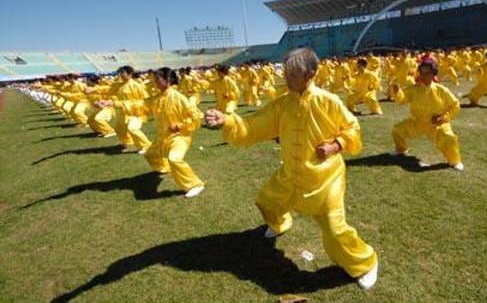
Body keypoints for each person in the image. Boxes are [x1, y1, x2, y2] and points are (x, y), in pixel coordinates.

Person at [205, 47, 379, 289]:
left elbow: (353, 129)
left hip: (325, 180)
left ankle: (366, 263)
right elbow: (254, 125)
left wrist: (336, 145)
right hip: (290, 175)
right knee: (266, 201)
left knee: (334, 232)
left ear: (310, 75)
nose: (285, 78)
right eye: (285, 73)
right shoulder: (282, 104)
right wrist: (228, 120)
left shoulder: (329, 102)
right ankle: (280, 224)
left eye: (292, 74)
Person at [391, 59, 464, 171]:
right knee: (397, 130)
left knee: (449, 138)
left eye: (427, 73)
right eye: (422, 73)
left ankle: (455, 161)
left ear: (433, 74)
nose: (423, 76)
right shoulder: (414, 89)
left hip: (437, 124)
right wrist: (397, 92)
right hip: (418, 122)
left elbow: (455, 105)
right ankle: (401, 149)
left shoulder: (441, 90)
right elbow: (402, 99)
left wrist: (444, 118)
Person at [143, 68, 205, 198]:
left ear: (168, 80)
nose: (155, 83)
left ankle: (195, 185)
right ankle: (165, 168)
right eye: (155, 80)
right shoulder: (157, 98)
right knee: (149, 154)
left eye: (158, 79)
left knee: (174, 158)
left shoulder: (178, 97)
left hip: (179, 137)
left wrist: (180, 126)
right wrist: (113, 103)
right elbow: (140, 105)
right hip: (162, 138)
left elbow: (196, 116)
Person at [98, 66, 151, 153]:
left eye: (122, 73)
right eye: (120, 73)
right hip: (124, 113)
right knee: (119, 128)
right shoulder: (119, 85)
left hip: (136, 112)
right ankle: (128, 143)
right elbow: (108, 89)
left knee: (132, 128)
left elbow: (146, 99)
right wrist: (97, 93)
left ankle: (146, 146)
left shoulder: (137, 86)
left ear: (130, 74)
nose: (120, 75)